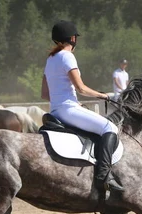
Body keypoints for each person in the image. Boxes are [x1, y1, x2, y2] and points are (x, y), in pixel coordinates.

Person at [41, 20, 123, 192]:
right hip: (68, 110)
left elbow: (45, 94)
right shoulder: (67, 56)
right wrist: (103, 95)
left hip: (56, 111)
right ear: (72, 38)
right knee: (110, 128)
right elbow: (81, 88)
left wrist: (72, 101)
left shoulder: (50, 59)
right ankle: (103, 177)